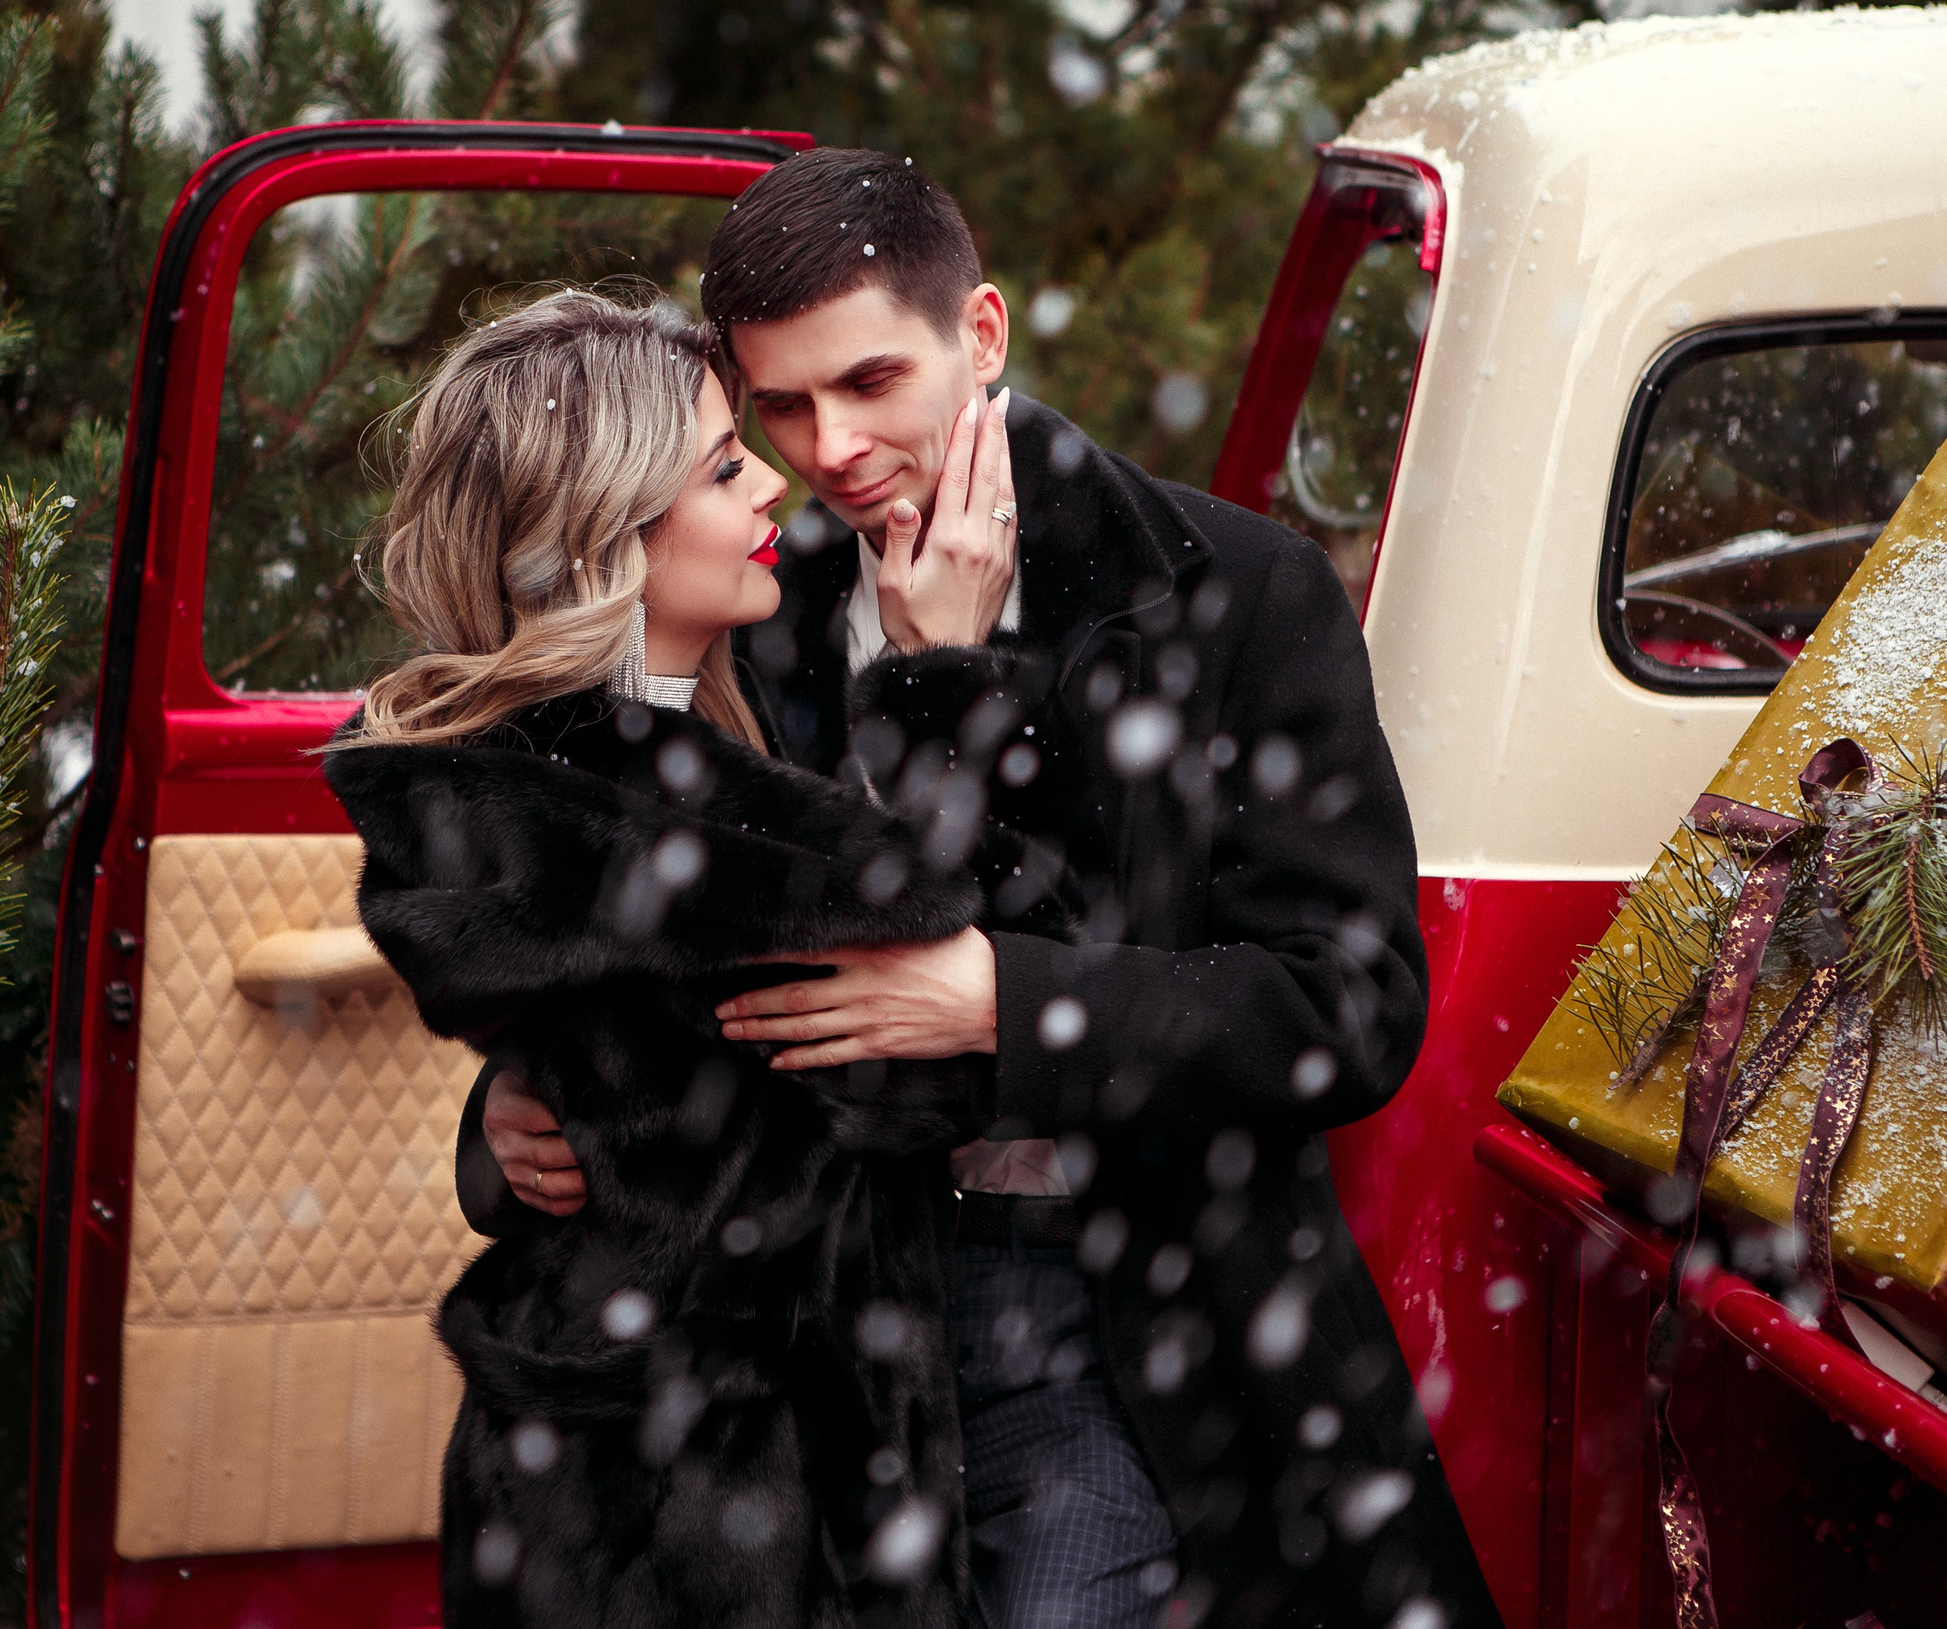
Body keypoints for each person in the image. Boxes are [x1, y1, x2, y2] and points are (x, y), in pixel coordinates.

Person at [462, 152, 1502, 1629]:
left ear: (986, 335)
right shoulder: (766, 599)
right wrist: (519, 1108)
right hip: (821, 1305)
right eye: (782, 407)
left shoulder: (1241, 592)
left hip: (1123, 1303)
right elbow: (663, 934)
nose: (832, 446)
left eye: (871, 380)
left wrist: (1008, 1005)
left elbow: (1350, 1008)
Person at [323, 286, 1077, 1629]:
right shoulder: (642, 822)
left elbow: (639, 1081)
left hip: (609, 1463)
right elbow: (927, 1061)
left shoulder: (562, 790)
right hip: (707, 1510)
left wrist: (511, 1128)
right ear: (603, 531)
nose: (776, 488)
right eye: (728, 466)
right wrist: (943, 673)